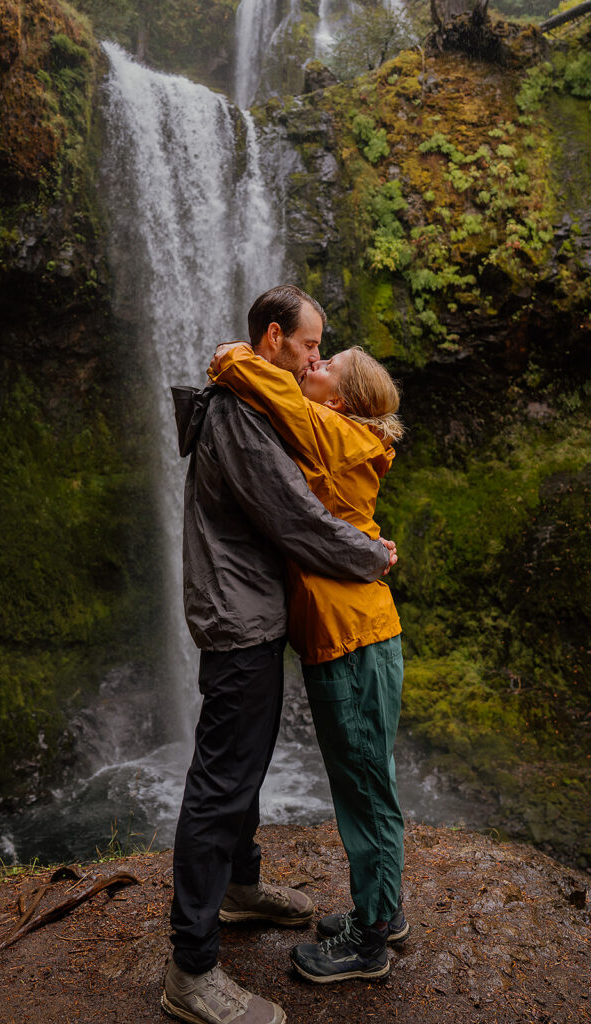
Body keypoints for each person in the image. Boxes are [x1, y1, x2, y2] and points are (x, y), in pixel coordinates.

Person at [162, 285, 397, 1024]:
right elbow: (294, 518)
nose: (312, 359)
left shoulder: (265, 404)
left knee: (244, 766)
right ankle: (191, 971)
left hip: (256, 611)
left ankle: (240, 885)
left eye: (321, 353)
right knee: (222, 780)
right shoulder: (239, 413)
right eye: (306, 347)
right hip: (239, 616)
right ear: (271, 340)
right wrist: (370, 553)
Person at [209, 340, 408, 984]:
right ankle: (387, 909)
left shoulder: (330, 430)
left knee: (363, 787)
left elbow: (261, 383)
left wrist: (230, 353)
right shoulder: (345, 435)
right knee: (371, 778)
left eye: (325, 365)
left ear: (342, 399)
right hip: (357, 631)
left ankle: (370, 939)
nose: (310, 368)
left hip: (349, 639)